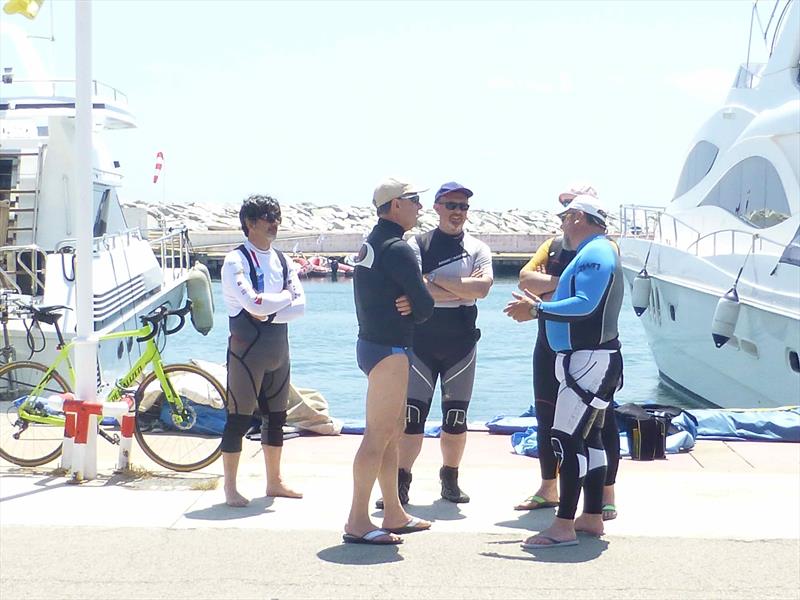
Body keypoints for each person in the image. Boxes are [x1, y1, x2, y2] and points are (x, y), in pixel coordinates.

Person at [504, 194, 624, 548]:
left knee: (565, 439)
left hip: (589, 359)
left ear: (578, 217)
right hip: (589, 358)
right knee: (590, 439)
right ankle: (591, 517)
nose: (560, 224)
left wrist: (537, 310)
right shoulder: (596, 251)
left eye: (564, 217)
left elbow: (586, 305)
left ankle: (563, 525)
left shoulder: (597, 253)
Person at [344, 177, 435, 545]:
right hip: (390, 351)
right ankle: (357, 520)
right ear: (395, 205)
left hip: (373, 345)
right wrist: (417, 304)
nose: (419, 207)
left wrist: (411, 304)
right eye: (414, 200)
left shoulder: (373, 242)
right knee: (377, 435)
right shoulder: (397, 248)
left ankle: (394, 512)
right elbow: (426, 307)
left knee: (391, 435)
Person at [393, 181, 493, 505]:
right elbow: (414, 289)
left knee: (455, 419)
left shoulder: (478, 248)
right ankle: (401, 482)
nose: (458, 213)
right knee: (412, 419)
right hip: (420, 342)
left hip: (461, 345)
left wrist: (434, 284)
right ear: (436, 207)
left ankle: (450, 479)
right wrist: (461, 289)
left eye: (463, 207)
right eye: (451, 205)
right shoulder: (417, 244)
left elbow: (483, 289)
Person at [219, 194, 306, 507]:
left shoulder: (282, 260)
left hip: (278, 353)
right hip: (247, 354)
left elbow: (301, 306)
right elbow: (251, 304)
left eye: (277, 217)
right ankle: (230, 486)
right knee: (238, 419)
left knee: (276, 418)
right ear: (250, 223)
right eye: (268, 217)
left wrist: (268, 308)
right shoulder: (236, 260)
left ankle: (274, 481)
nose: (275, 223)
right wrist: (281, 300)